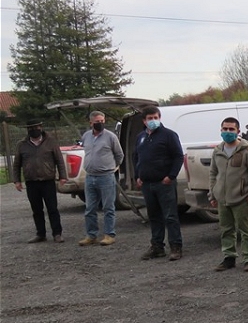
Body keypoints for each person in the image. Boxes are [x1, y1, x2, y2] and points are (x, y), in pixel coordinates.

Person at [209, 117, 248, 272]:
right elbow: (213, 174)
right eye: (225, 129)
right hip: (223, 199)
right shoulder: (218, 151)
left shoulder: (247, 149)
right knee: (226, 229)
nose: (228, 132)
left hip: (241, 198)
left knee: (245, 229)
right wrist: (212, 195)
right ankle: (229, 258)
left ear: (238, 132)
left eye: (231, 129)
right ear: (220, 130)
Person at [134, 106, 184, 261]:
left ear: (160, 118)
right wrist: (138, 176)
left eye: (156, 117)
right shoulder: (141, 137)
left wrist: (171, 176)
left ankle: (176, 246)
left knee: (170, 216)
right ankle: (157, 246)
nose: (153, 121)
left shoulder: (168, 135)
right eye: (150, 118)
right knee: (154, 216)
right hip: (147, 184)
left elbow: (178, 156)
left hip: (164, 183)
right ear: (144, 120)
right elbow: (136, 157)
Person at [12, 118, 68, 243]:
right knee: (36, 210)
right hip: (31, 182)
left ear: (41, 127)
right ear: (27, 130)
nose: (34, 130)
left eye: (36, 127)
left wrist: (63, 176)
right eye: (31, 128)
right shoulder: (22, 145)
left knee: (52, 208)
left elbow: (59, 160)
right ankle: (40, 234)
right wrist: (16, 180)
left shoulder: (51, 142)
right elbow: (16, 164)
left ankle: (57, 233)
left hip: (47, 181)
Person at [78, 111, 124, 247]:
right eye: (97, 121)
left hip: (106, 177)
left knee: (108, 207)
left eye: (102, 121)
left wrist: (112, 168)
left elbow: (119, 155)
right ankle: (91, 235)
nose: (100, 123)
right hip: (90, 177)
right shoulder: (86, 136)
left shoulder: (111, 137)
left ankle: (109, 235)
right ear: (91, 123)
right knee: (90, 208)